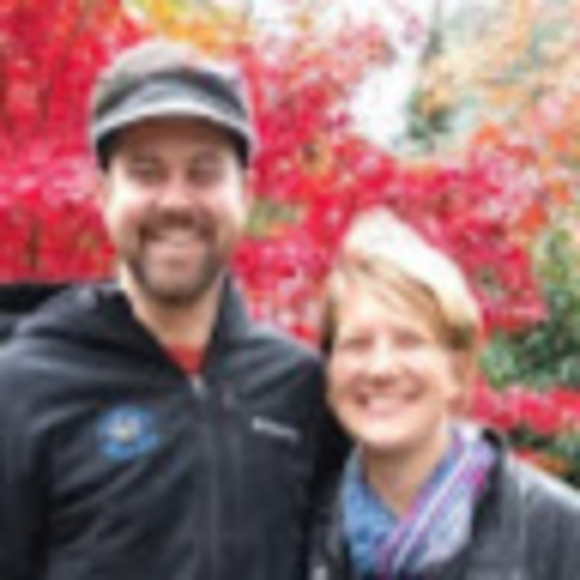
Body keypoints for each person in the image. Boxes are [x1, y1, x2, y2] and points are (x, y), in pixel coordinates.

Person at [0, 39, 344, 580]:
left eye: (204, 172)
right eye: (146, 171)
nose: (177, 201)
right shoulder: (22, 388)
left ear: (246, 193)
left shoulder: (301, 388)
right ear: (103, 194)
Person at [309, 208, 580, 580]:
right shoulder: (299, 535)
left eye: (409, 341)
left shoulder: (557, 533)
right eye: (357, 344)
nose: (380, 368)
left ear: (458, 369)